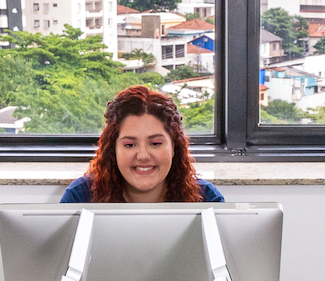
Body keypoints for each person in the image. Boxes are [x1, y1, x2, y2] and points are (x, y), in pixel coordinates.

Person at [59, 86, 224, 204]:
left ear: (174, 147)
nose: (143, 155)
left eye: (156, 143)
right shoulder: (80, 196)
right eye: (130, 145)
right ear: (113, 150)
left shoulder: (206, 198)